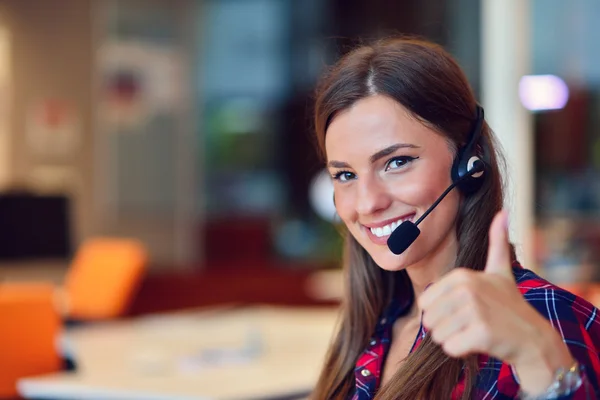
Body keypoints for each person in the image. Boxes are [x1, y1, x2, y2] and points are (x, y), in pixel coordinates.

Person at [310, 36, 600, 400]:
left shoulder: (540, 317)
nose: (367, 203)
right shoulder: (378, 327)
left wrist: (538, 357)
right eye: (346, 175)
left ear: (469, 164)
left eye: (397, 162)